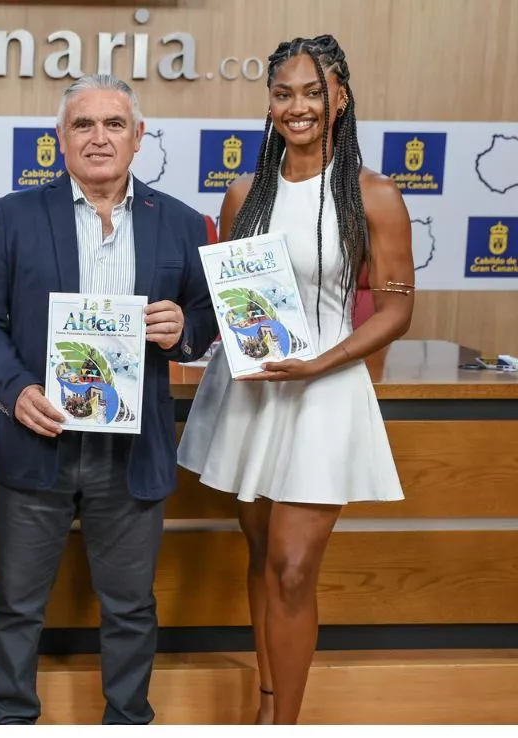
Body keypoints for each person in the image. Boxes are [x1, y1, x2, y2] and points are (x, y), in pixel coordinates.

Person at [0, 75, 218, 725]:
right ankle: (11, 716)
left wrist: (184, 330)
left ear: (138, 137)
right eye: (83, 125)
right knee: (17, 603)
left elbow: (209, 320)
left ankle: (128, 718)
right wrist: (15, 391)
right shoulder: (14, 215)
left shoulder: (185, 224)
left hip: (133, 452)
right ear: (60, 139)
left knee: (130, 605)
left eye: (113, 124)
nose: (98, 137)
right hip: (35, 441)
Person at [177, 34, 414, 725]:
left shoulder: (375, 195)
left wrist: (318, 362)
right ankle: (267, 704)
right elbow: (235, 298)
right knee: (261, 554)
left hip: (325, 392)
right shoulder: (243, 193)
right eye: (285, 93)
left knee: (291, 566)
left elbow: (397, 305)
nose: (299, 106)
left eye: (313, 92)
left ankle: (287, 724)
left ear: (340, 98)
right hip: (251, 394)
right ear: (270, 102)